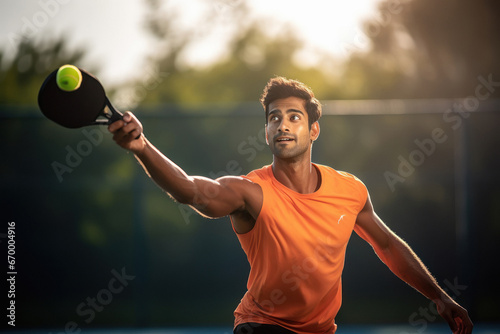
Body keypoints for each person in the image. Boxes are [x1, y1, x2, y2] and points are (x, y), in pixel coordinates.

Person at [108, 77, 473, 334]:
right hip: (261, 326)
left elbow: (387, 244)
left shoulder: (351, 190)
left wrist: (438, 296)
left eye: (294, 117)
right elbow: (190, 191)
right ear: (266, 132)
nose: (282, 124)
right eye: (274, 118)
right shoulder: (249, 191)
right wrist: (141, 146)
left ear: (313, 130)